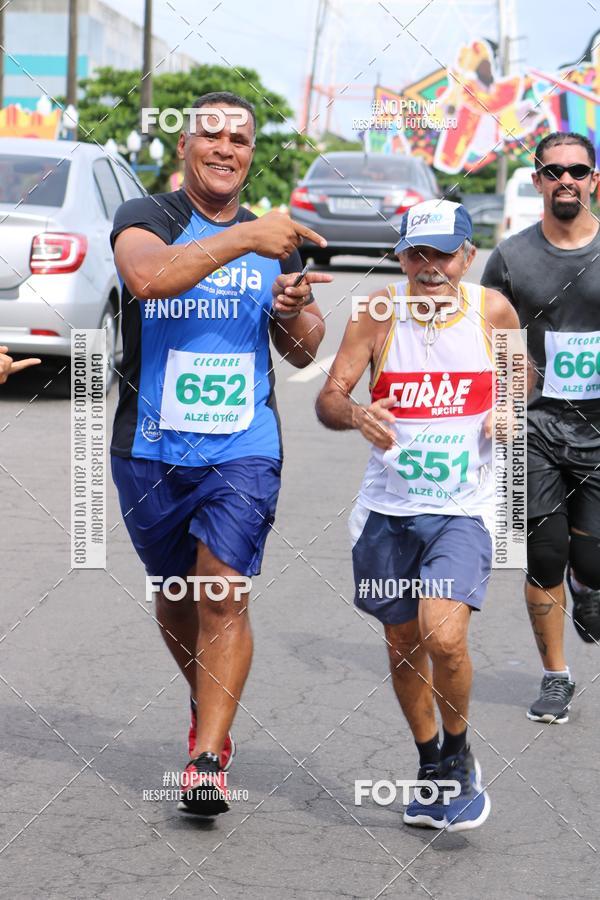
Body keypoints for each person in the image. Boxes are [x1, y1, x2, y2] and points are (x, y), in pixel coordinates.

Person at [110, 91, 331, 816]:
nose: (226, 148)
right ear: (185, 146)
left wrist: (294, 312)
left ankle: (206, 758)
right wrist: (246, 239)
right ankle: (211, 709)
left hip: (244, 447)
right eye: (212, 135)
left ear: (250, 152)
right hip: (149, 449)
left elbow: (301, 349)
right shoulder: (146, 219)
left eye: (240, 138)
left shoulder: (274, 240)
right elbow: (148, 278)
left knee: (222, 591)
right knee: (176, 599)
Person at [317, 199, 527, 831]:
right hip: (388, 510)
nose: (429, 266)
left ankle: (460, 753)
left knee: (444, 635)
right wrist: (358, 414)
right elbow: (329, 399)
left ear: (468, 255)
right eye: (416, 253)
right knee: (404, 643)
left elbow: (522, 373)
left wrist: (508, 406)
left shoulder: (492, 310)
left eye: (443, 253)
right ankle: (431, 761)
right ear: (401, 256)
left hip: (464, 508)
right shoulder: (377, 313)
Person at [482, 131, 600, 725]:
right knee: (542, 555)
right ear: (538, 183)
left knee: (594, 561)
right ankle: (556, 675)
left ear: (594, 180)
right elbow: (485, 336)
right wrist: (499, 399)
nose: (566, 181)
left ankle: (591, 583)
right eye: (554, 172)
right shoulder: (510, 257)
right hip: (536, 428)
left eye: (578, 171)